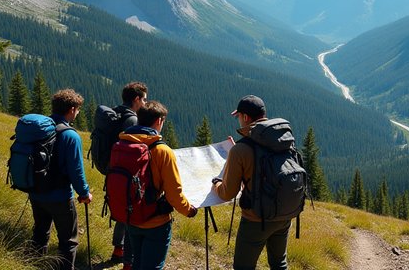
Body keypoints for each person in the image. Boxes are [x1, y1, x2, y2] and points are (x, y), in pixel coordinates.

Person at [212, 95, 294, 270]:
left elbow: (228, 193)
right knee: (279, 263)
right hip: (285, 213)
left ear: (246, 118)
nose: (239, 120)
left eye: (239, 116)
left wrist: (216, 184)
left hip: (255, 219)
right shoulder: (282, 140)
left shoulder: (241, 150)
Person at [121, 101, 198, 270]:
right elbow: (174, 194)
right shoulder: (162, 151)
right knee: (152, 266)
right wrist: (189, 210)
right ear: (159, 121)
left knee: (137, 262)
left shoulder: (123, 143)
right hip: (155, 221)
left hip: (130, 216)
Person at [28, 89, 92, 270]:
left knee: (40, 234)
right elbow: (76, 171)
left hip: (36, 192)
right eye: (78, 110)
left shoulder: (39, 130)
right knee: (68, 241)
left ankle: (34, 265)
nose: (78, 113)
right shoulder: (70, 136)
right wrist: (85, 193)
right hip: (60, 197)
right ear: (72, 109)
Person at [111, 81, 148, 265]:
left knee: (120, 208)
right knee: (128, 210)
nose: (145, 104)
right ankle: (123, 252)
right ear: (136, 99)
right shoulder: (132, 119)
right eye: (144, 100)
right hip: (126, 171)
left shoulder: (116, 111)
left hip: (113, 169)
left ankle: (119, 249)